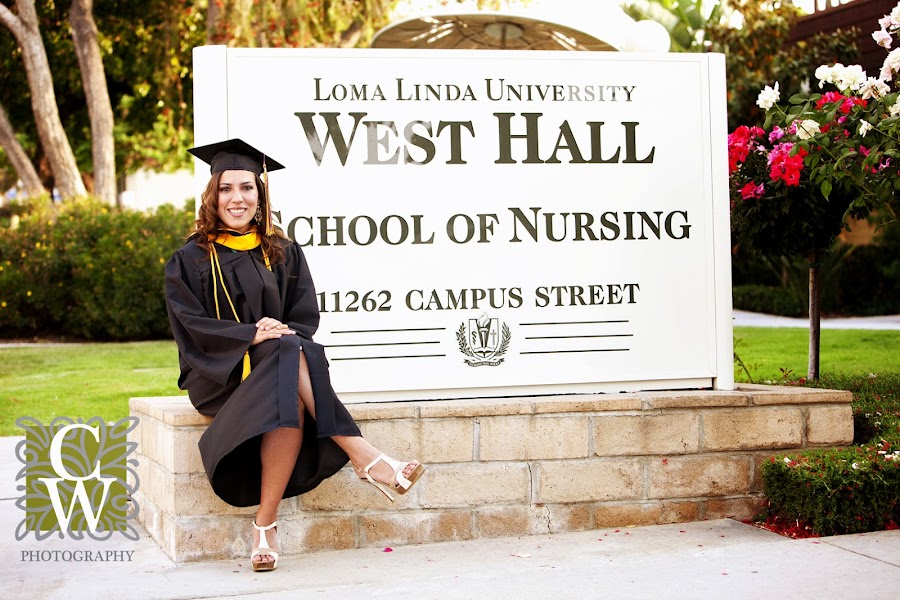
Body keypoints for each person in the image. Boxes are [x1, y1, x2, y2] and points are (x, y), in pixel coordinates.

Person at [164, 138, 425, 572]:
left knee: (288, 354)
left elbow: (303, 317)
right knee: (284, 353)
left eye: (247, 188)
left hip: (283, 367)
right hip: (221, 378)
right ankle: (363, 456)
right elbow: (190, 324)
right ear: (213, 195)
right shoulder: (189, 258)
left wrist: (274, 335)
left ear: (260, 194)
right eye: (227, 189)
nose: (238, 198)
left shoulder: (282, 252)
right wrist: (251, 335)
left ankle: (265, 526)